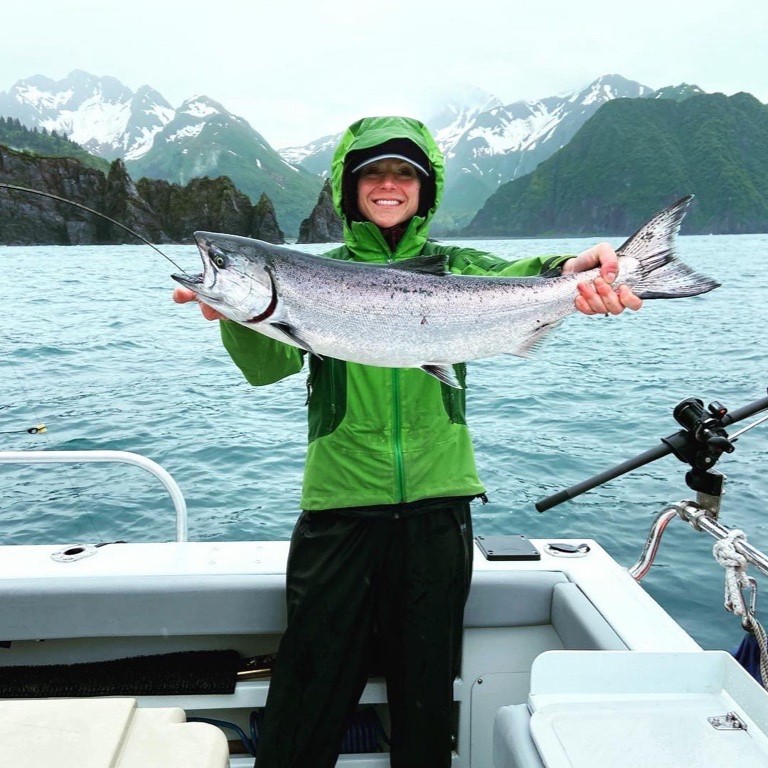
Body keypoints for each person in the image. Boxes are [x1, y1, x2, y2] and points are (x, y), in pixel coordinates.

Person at [173, 115, 642, 768]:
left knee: (424, 709)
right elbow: (265, 368)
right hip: (338, 509)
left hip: (438, 512)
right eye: (372, 173)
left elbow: (525, 272)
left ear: (425, 190)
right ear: (347, 187)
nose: (388, 184)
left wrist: (577, 273)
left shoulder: (457, 267)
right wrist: (228, 307)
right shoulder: (316, 273)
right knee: (303, 702)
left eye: (404, 174)